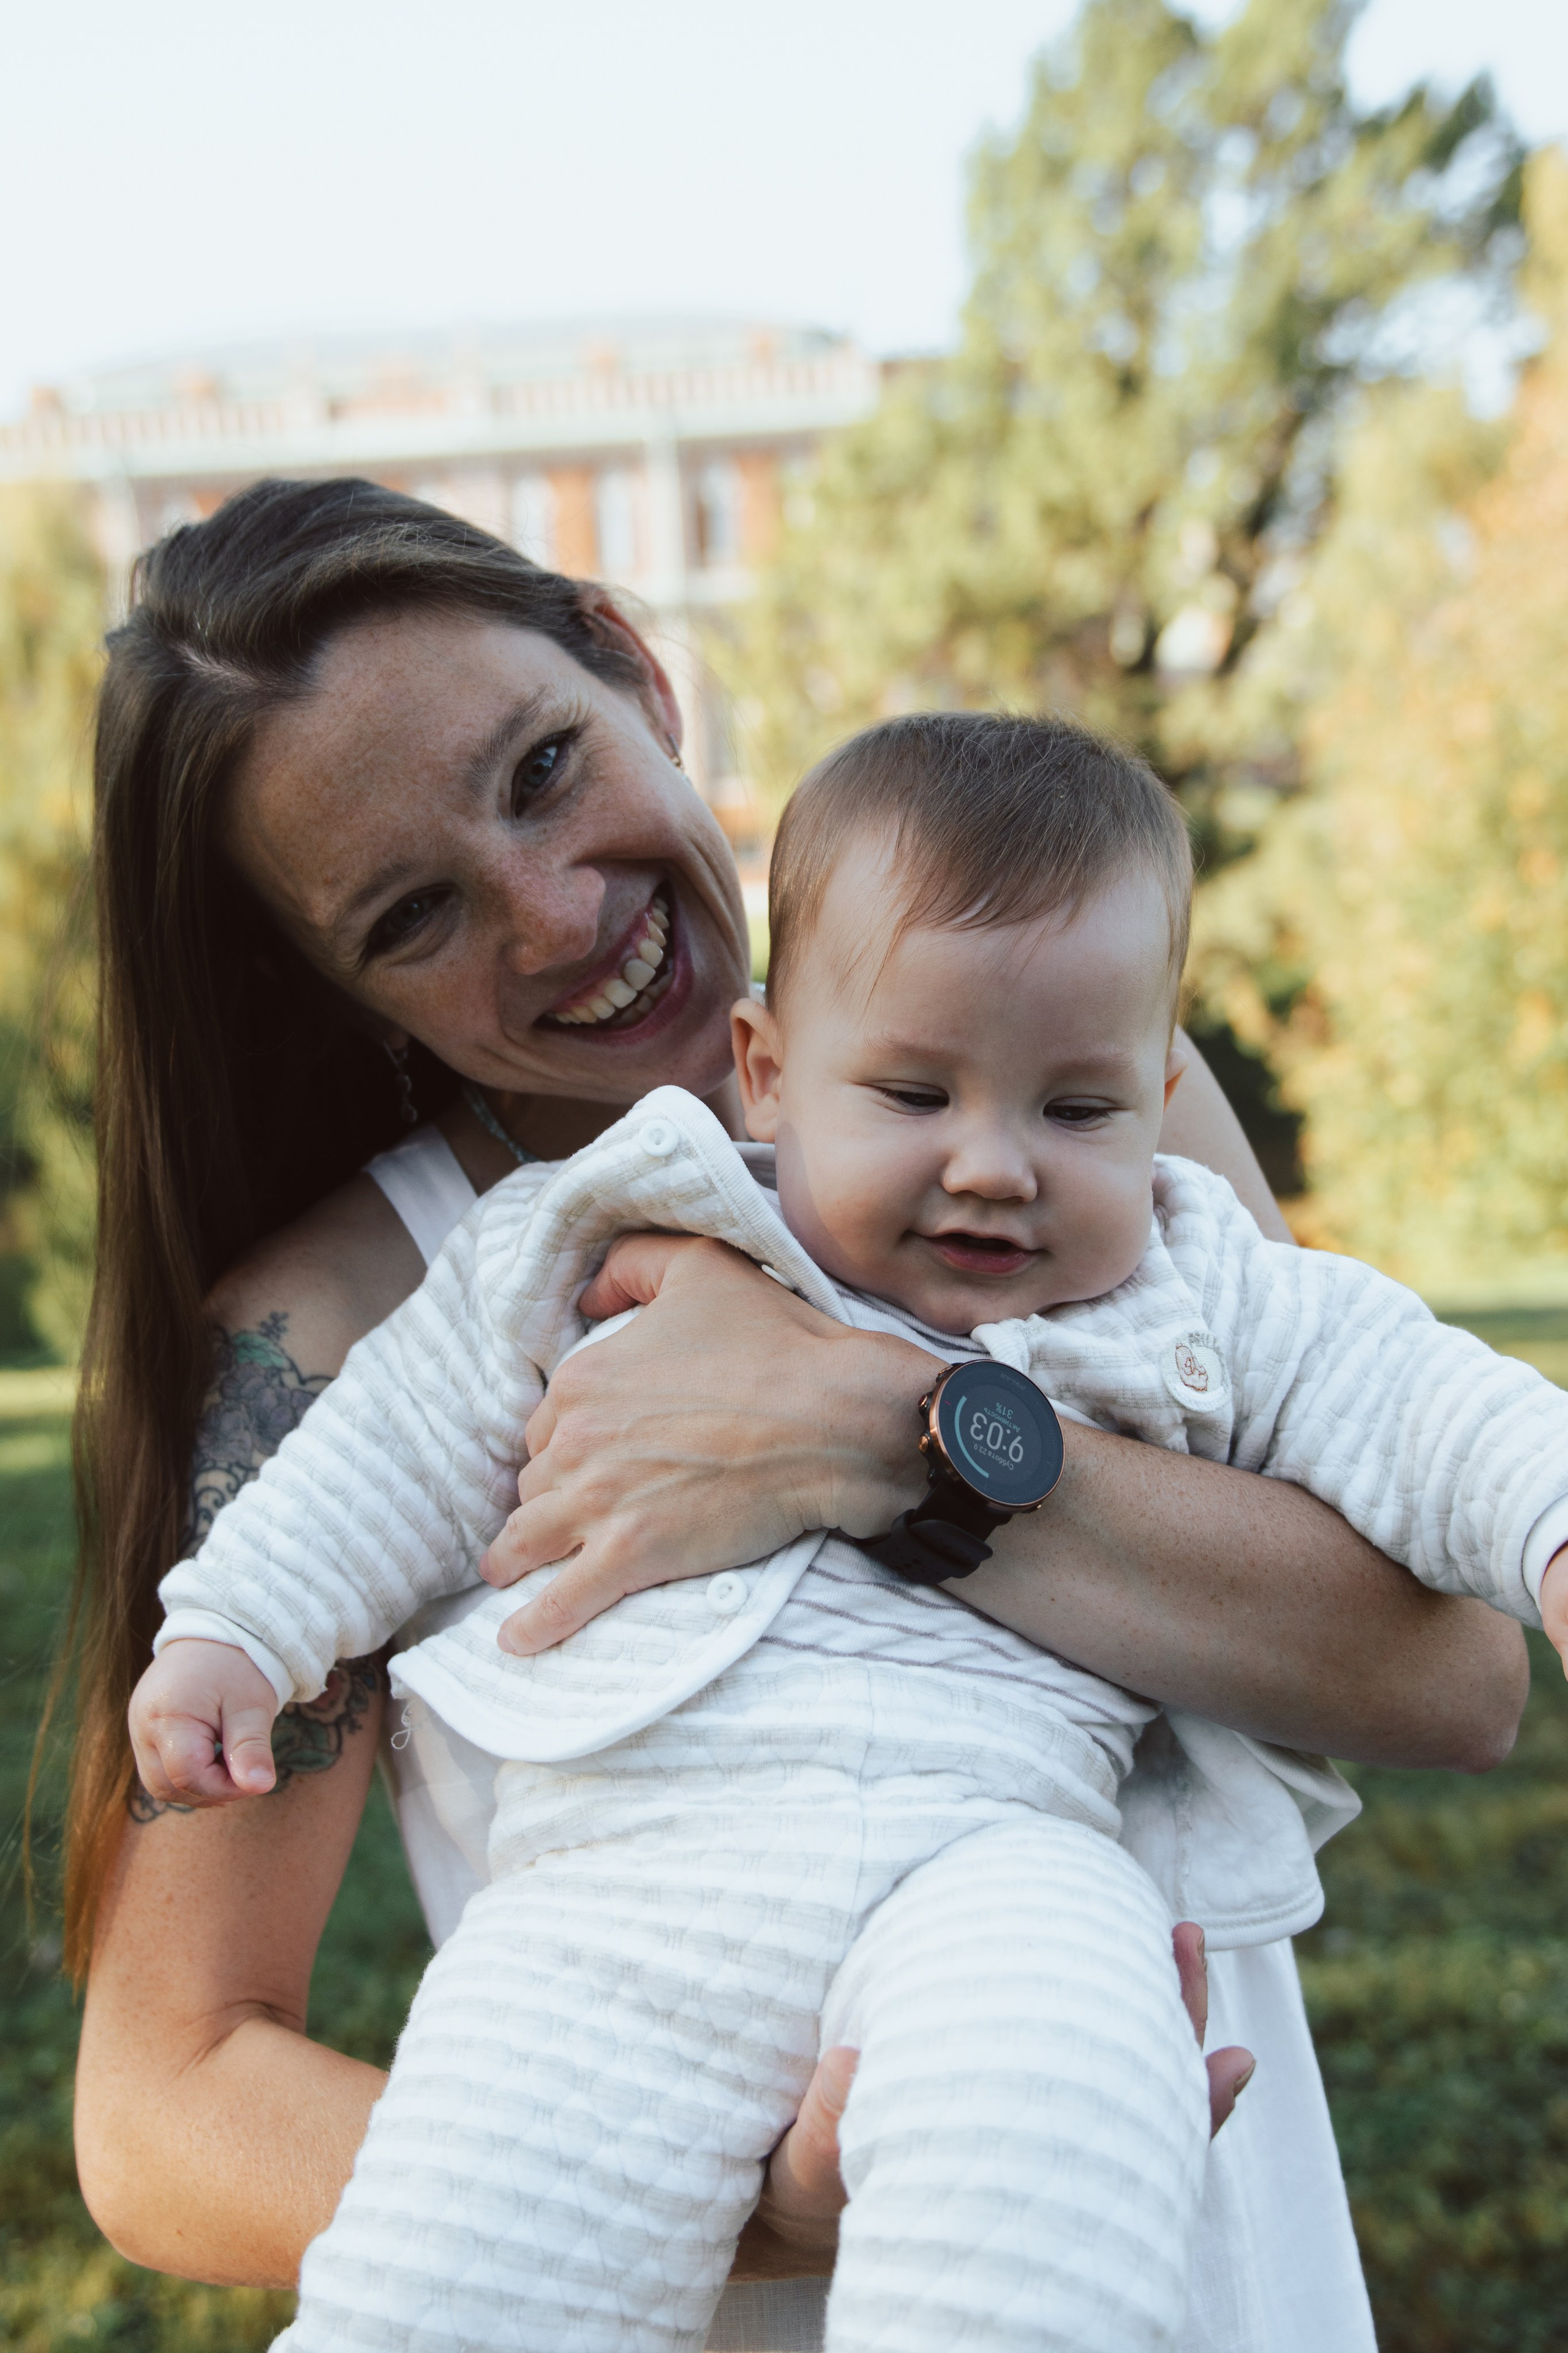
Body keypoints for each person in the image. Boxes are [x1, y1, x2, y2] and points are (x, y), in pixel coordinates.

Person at [67, 482, 1527, 2353]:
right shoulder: (359, 1317)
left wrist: (869, 1427)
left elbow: (1452, 1673)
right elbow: (158, 2100)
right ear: (337, 985)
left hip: (1180, 2209)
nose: (555, 915)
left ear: (637, 670)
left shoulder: (1071, 1097)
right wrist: (750, 2192)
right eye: (417, 913)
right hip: (690, 2235)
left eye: (541, 769)